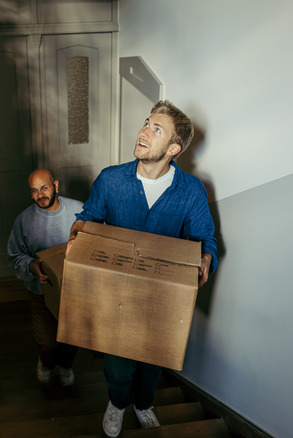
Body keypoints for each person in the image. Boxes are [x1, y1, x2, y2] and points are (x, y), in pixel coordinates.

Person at [67, 100, 218, 437]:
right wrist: (79, 230)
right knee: (118, 370)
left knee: (152, 366)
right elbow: (88, 217)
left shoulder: (191, 190)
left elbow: (204, 238)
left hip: (161, 302)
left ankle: (144, 403)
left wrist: (207, 256)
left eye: (156, 129)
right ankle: (118, 404)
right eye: (146, 123)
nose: (143, 132)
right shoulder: (110, 180)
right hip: (115, 298)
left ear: (174, 148)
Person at [7, 168, 84, 386]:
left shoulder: (79, 210)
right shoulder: (23, 221)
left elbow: (95, 243)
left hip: (74, 291)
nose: (40, 195)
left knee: (71, 339)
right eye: (34, 191)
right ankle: (47, 363)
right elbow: (14, 257)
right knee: (47, 342)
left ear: (56, 186)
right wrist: (32, 267)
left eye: (44, 188)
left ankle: (66, 366)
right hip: (40, 292)